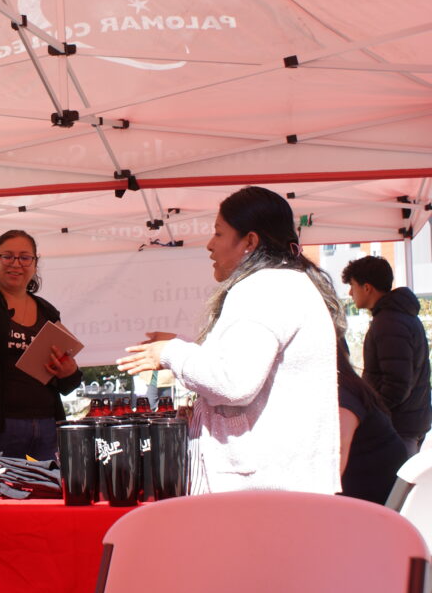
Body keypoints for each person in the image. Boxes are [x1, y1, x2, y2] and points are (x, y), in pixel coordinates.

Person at [117, 186, 343, 495]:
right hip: (283, 488)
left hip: (261, 495)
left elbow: (233, 383)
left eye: (219, 234)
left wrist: (171, 352)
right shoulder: (286, 284)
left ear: (249, 241)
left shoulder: (263, 288)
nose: (209, 245)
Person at [0, 229, 83, 464]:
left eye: (25, 257)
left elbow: (69, 381)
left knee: (44, 496)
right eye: (7, 256)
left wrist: (69, 372)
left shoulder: (47, 310)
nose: (16, 264)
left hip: (45, 424)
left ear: (35, 264)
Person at [341, 255, 431, 456]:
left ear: (367, 288)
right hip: (408, 422)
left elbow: (396, 385)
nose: (350, 292)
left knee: (395, 486)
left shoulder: (390, 321)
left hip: (398, 427)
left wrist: (369, 412)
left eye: (353, 285)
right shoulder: (397, 316)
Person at [337, 341, 408, 504]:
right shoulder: (348, 386)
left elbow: (334, 457)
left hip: (371, 508)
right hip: (378, 501)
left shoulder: (341, 395)